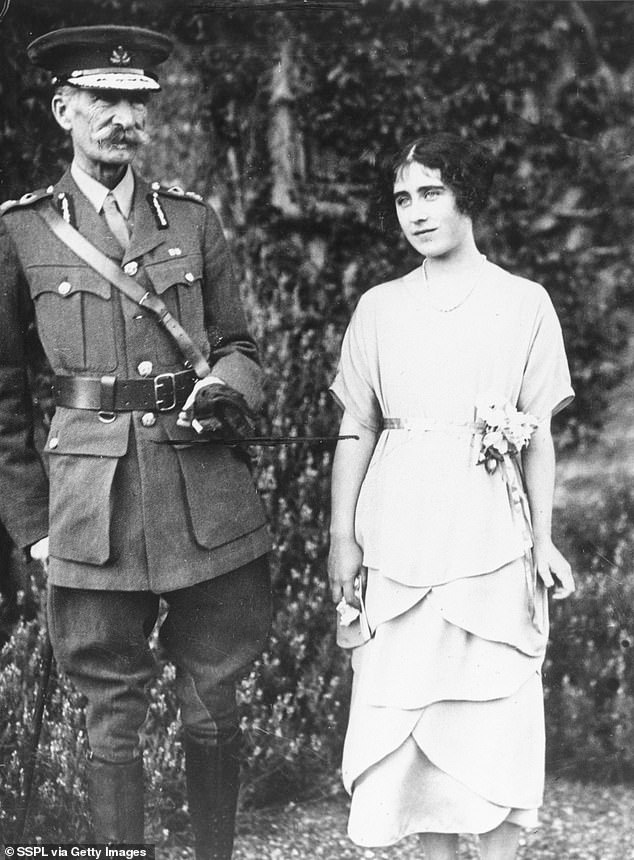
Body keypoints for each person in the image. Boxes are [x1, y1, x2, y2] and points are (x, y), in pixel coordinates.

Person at [0, 25, 272, 858]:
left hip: (205, 499)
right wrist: (34, 526)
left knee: (213, 703)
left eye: (136, 103)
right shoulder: (22, 233)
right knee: (109, 713)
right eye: (105, 101)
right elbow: (5, 395)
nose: (123, 119)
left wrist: (229, 387)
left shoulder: (189, 220)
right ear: (64, 110)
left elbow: (241, 344)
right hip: (92, 509)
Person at [328, 133, 576, 860]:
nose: (415, 211)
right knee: (411, 722)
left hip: (490, 536)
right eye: (404, 197)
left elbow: (539, 436)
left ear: (467, 194)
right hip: (398, 535)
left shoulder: (525, 303)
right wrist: (343, 537)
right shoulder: (378, 308)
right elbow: (357, 426)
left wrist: (542, 538)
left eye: (431, 192)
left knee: (493, 711)